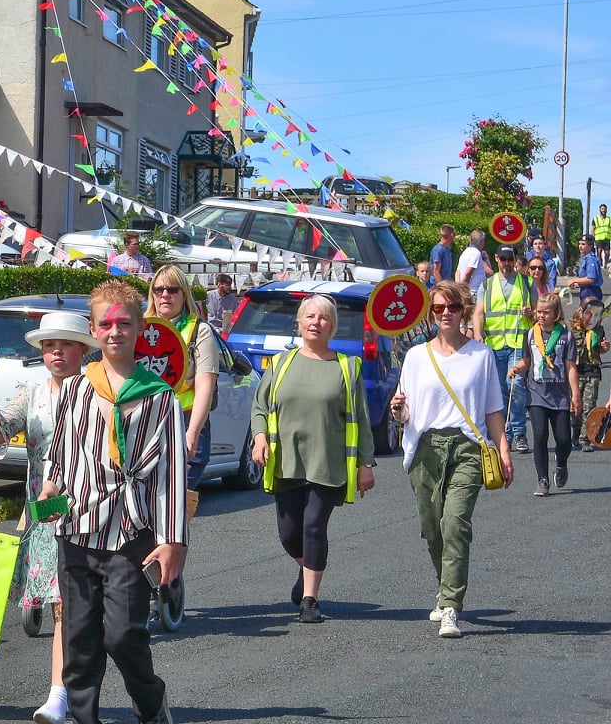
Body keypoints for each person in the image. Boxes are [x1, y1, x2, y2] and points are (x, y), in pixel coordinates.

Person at [38, 279, 185, 724]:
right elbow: (58, 453)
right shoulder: (78, 386)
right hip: (76, 529)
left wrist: (172, 541)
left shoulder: (160, 396)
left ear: (141, 328)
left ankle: (151, 702)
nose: (115, 331)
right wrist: (47, 491)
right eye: (106, 323)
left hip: (131, 533)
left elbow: (171, 471)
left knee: (123, 636)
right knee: (78, 642)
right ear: (94, 329)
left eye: (125, 322)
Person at [0, 310, 98, 724]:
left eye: (65, 343)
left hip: (88, 508)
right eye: (49, 345)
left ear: (84, 349)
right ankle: (62, 693)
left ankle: (64, 693)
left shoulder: (100, 390)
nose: (56, 352)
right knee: (61, 603)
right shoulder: (32, 392)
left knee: (72, 604)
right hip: (43, 513)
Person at [391, 279, 513, 639]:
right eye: (439, 308)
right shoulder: (415, 357)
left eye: (453, 307)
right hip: (425, 447)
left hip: (468, 447)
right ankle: (445, 585)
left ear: (463, 310)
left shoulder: (481, 356)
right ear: (431, 313)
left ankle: (450, 607)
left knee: (455, 524)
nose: (446, 314)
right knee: (432, 528)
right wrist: (398, 410)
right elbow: (405, 411)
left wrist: (503, 449)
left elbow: (493, 408)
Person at [248, 294, 376, 623]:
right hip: (286, 462)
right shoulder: (280, 363)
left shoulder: (347, 367)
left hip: (329, 464)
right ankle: (306, 572)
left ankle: (310, 600)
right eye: (310, 317)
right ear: (300, 323)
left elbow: (360, 418)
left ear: (332, 326)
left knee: (314, 527)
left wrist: (365, 464)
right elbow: (260, 407)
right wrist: (259, 437)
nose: (316, 322)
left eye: (323, 318)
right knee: (289, 534)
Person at [146, 264, 219, 494]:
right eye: (159, 290)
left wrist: (192, 433)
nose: (165, 295)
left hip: (184, 421)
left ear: (184, 294)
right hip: (145, 423)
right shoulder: (139, 326)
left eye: (172, 289)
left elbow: (205, 387)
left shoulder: (200, 331)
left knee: (174, 505)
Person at [516, 292, 580, 496]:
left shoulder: (566, 336)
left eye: (546, 312)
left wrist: (575, 394)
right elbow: (527, 361)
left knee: (563, 440)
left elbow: (570, 367)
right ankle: (542, 480)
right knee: (540, 435)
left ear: (556, 314)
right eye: (539, 312)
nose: (541, 316)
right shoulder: (530, 335)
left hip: (560, 395)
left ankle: (561, 463)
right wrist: (517, 368)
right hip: (536, 394)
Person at [475, 244, 534, 453]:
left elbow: (539, 314)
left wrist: (531, 313)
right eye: (503, 259)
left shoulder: (526, 282)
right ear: (496, 259)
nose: (507, 263)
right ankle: (503, 434)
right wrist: (477, 334)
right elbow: (479, 313)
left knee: (516, 386)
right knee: (498, 392)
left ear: (514, 260)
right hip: (494, 345)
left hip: (518, 345)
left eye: (510, 259)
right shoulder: (487, 285)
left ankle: (518, 432)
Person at [573, 297, 605, 451]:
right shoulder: (573, 330)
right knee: (575, 408)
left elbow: (600, 349)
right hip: (576, 373)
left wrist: (605, 347)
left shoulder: (599, 331)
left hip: (592, 372)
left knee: (589, 407)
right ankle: (575, 432)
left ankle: (585, 439)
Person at [565, 235, 602, 303]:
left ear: (590, 246)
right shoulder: (586, 258)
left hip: (591, 292)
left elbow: (591, 279)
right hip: (586, 290)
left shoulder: (590, 259)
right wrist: (578, 283)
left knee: (589, 312)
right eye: (579, 244)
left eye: (583, 244)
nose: (580, 246)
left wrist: (574, 280)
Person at [455, 229, 490, 300]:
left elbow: (457, 272)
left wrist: (458, 288)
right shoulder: (475, 253)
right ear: (481, 241)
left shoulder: (465, 252)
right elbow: (468, 272)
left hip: (468, 292)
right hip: (475, 293)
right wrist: (463, 289)